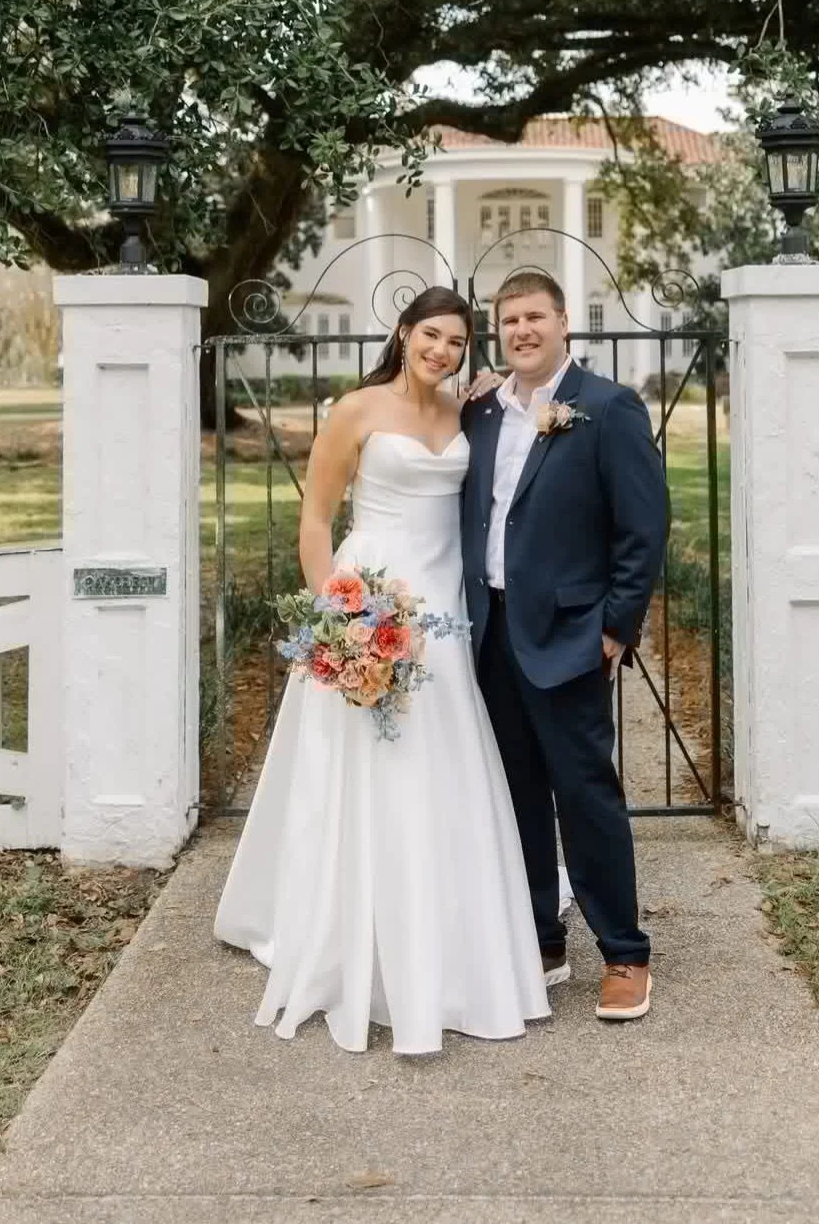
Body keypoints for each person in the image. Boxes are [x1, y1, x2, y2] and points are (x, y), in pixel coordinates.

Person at [213, 287, 549, 1055]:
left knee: (445, 764)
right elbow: (314, 516)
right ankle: (348, 930)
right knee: (362, 769)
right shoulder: (356, 409)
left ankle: (448, 933)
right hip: (368, 600)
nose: (442, 350)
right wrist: (336, 616)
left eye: (457, 342)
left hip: (446, 614)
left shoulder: (467, 411)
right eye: (431, 335)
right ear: (403, 333)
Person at [461, 268, 667, 1022]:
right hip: (489, 634)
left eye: (534, 318)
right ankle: (540, 937)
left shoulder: (606, 408)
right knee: (513, 793)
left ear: (563, 324)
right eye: (509, 320)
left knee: (584, 794)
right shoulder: (480, 411)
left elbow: (642, 528)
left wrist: (616, 626)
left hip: (572, 633)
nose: (521, 331)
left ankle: (624, 953)